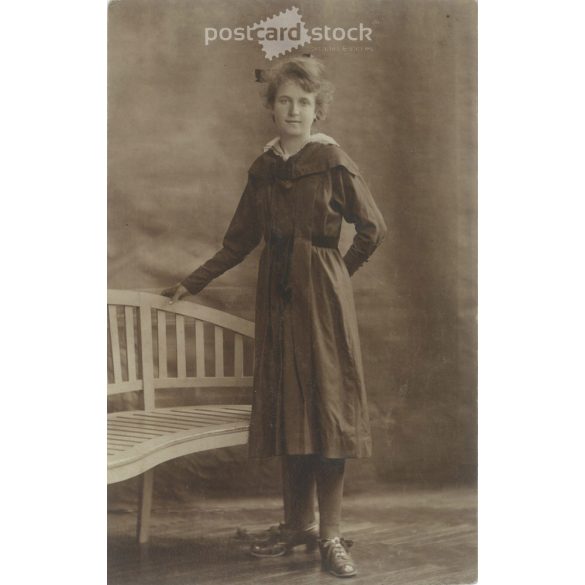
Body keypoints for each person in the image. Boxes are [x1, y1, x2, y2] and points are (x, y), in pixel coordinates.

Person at [162, 56, 386, 578]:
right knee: (290, 413)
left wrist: (335, 277)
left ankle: (330, 536)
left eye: (304, 102)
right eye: (284, 100)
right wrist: (190, 283)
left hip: (323, 307)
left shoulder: (332, 160)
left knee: (328, 415)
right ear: (271, 108)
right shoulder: (263, 170)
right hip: (278, 305)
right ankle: (297, 527)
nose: (293, 110)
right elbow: (239, 241)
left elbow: (374, 229)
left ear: (318, 109)